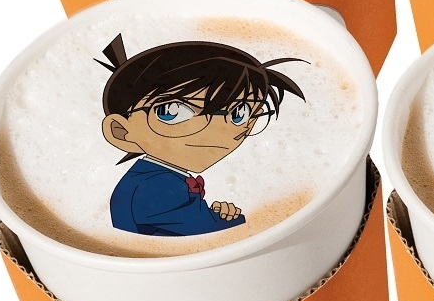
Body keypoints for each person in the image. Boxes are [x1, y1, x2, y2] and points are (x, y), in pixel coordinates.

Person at [98, 34, 305, 236]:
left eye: (239, 114)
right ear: (121, 132)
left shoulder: (158, 178)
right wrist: (234, 220)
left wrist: (215, 214)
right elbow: (210, 234)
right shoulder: (155, 186)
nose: (216, 130)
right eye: (171, 111)